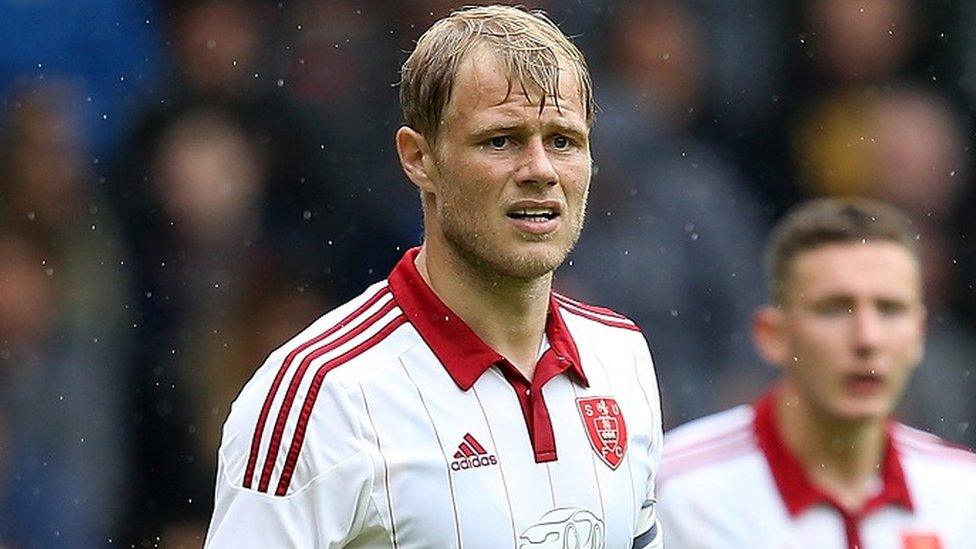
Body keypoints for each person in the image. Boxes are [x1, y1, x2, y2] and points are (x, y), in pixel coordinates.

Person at [205, 6, 664, 547]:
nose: (540, 169)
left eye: (563, 140)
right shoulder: (321, 396)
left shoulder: (622, 356)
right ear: (418, 158)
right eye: (501, 140)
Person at [657, 198, 976, 548]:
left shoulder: (964, 494)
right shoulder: (679, 491)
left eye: (889, 310)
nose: (867, 338)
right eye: (834, 309)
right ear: (772, 336)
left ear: (919, 335)